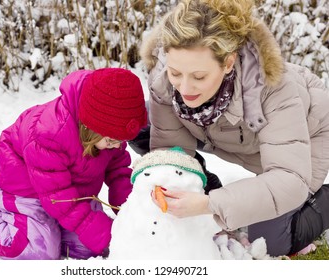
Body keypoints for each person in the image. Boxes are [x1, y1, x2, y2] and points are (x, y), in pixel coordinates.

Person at [132, 0, 329, 257]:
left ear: (227, 63)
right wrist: (171, 186)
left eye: (199, 76)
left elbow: (289, 179)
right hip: (221, 132)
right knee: (139, 124)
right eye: (175, 72)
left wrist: (211, 204)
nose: (185, 88)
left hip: (301, 140)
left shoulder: (274, 89)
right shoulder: (165, 82)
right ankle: (206, 182)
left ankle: (323, 200)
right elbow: (170, 148)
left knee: (271, 241)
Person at [0, 68, 148, 260]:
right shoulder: (50, 134)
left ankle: (50, 229)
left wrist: (128, 212)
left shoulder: (109, 132)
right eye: (111, 141)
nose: (117, 146)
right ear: (90, 127)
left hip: (67, 190)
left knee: (88, 247)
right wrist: (98, 231)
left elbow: (119, 173)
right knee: (38, 251)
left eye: (121, 141)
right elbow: (59, 197)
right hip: (24, 187)